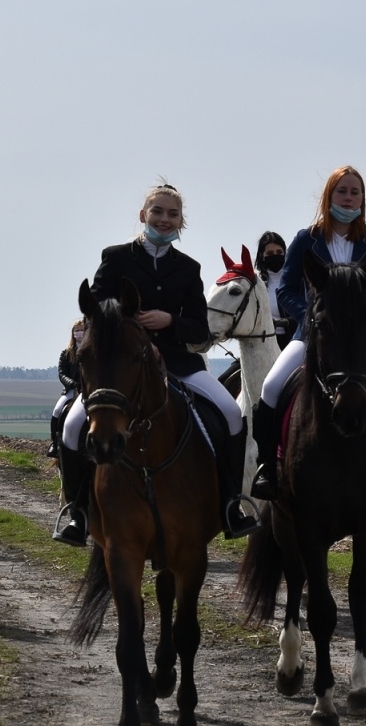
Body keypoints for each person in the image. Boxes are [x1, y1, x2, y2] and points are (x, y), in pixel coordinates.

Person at [52, 182, 260, 546]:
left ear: (181, 221)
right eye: (158, 212)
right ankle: (78, 512)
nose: (165, 220)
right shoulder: (115, 257)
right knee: (71, 426)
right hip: (122, 368)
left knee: (229, 413)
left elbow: (198, 328)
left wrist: (169, 321)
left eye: (172, 214)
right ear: (143, 215)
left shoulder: (188, 268)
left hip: (179, 362)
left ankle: (231, 503)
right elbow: (96, 314)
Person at [251, 166, 366, 502]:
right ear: (329, 196)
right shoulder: (307, 239)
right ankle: (267, 467)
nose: (348, 198)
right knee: (270, 388)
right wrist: (309, 318)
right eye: (342, 191)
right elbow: (287, 288)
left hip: (364, 337)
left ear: (363, 199)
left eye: (355, 192)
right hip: (312, 335)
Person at [47, 318, 85, 459]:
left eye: (82, 330)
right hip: (71, 390)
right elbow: (62, 373)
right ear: (73, 333)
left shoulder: (92, 351)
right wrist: (72, 384)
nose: (79, 333)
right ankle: (55, 443)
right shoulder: (66, 353)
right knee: (57, 411)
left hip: (87, 391)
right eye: (77, 330)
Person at [255, 230, 292, 347]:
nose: (275, 255)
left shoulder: (297, 280)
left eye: (279, 252)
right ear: (262, 255)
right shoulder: (256, 283)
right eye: (270, 253)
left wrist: (284, 322)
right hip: (263, 342)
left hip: (294, 340)